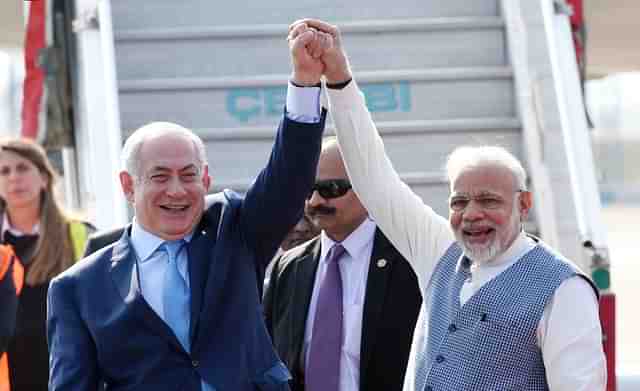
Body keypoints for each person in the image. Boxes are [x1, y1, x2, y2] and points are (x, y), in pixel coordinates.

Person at [288, 19, 606, 391]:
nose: (472, 214)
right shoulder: (440, 253)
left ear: (524, 204)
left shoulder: (562, 288)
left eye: (489, 200)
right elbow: (374, 179)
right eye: (460, 201)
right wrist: (339, 79)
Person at [46, 28, 328, 391]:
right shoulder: (78, 288)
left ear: (206, 179)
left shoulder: (235, 230)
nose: (176, 191)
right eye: (160, 176)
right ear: (129, 185)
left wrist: (305, 83)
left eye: (188, 175)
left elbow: (287, 180)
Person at [264, 137, 421, 391]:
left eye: (331, 189)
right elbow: (268, 360)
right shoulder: (289, 267)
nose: (314, 201)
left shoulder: (410, 263)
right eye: (308, 189)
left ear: (367, 186)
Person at [0, 138, 92, 391]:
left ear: (44, 177)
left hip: (66, 373)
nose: (13, 178)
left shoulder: (80, 235)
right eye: (4, 171)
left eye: (22, 168)